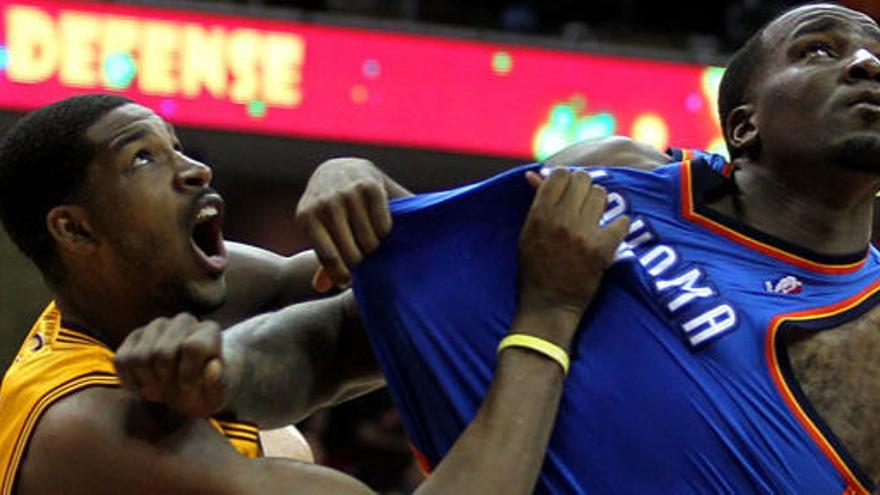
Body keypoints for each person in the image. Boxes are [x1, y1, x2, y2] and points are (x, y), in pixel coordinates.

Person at [116, 3, 880, 494]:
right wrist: (214, 371)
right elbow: (339, 343)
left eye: (876, 52)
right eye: (818, 49)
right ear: (741, 124)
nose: (867, 63)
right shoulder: (618, 174)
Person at [0, 94, 629, 493]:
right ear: (75, 229)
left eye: (177, 148)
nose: (195, 169)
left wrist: (360, 176)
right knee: (286, 444)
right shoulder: (81, 428)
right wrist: (550, 315)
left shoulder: (192, 288)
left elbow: (416, 293)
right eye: (142, 159)